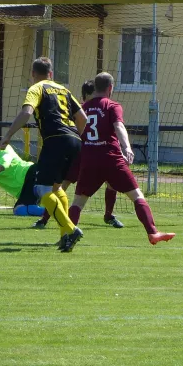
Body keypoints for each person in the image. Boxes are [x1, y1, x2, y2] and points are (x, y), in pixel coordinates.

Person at [68, 72, 176, 246]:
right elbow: (119, 126)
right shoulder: (112, 106)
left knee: (78, 202)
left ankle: (67, 235)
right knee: (136, 195)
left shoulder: (83, 108)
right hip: (111, 158)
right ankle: (152, 232)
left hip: (89, 159)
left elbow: (77, 130)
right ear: (110, 88)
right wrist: (126, 147)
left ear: (95, 87)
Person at [0, 57, 87, 252]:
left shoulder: (37, 88)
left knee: (41, 190)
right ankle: (65, 237)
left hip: (55, 140)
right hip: (75, 140)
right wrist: (77, 138)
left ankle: (70, 229)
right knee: (56, 188)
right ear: (51, 74)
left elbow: (26, 113)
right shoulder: (64, 89)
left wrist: (7, 135)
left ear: (33, 74)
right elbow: (82, 118)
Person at [33, 80, 124, 229]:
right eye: (93, 93)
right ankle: (44, 218)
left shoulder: (101, 108)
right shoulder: (79, 110)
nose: (96, 96)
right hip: (78, 153)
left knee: (111, 183)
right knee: (61, 185)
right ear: (86, 95)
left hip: (96, 153)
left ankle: (108, 215)